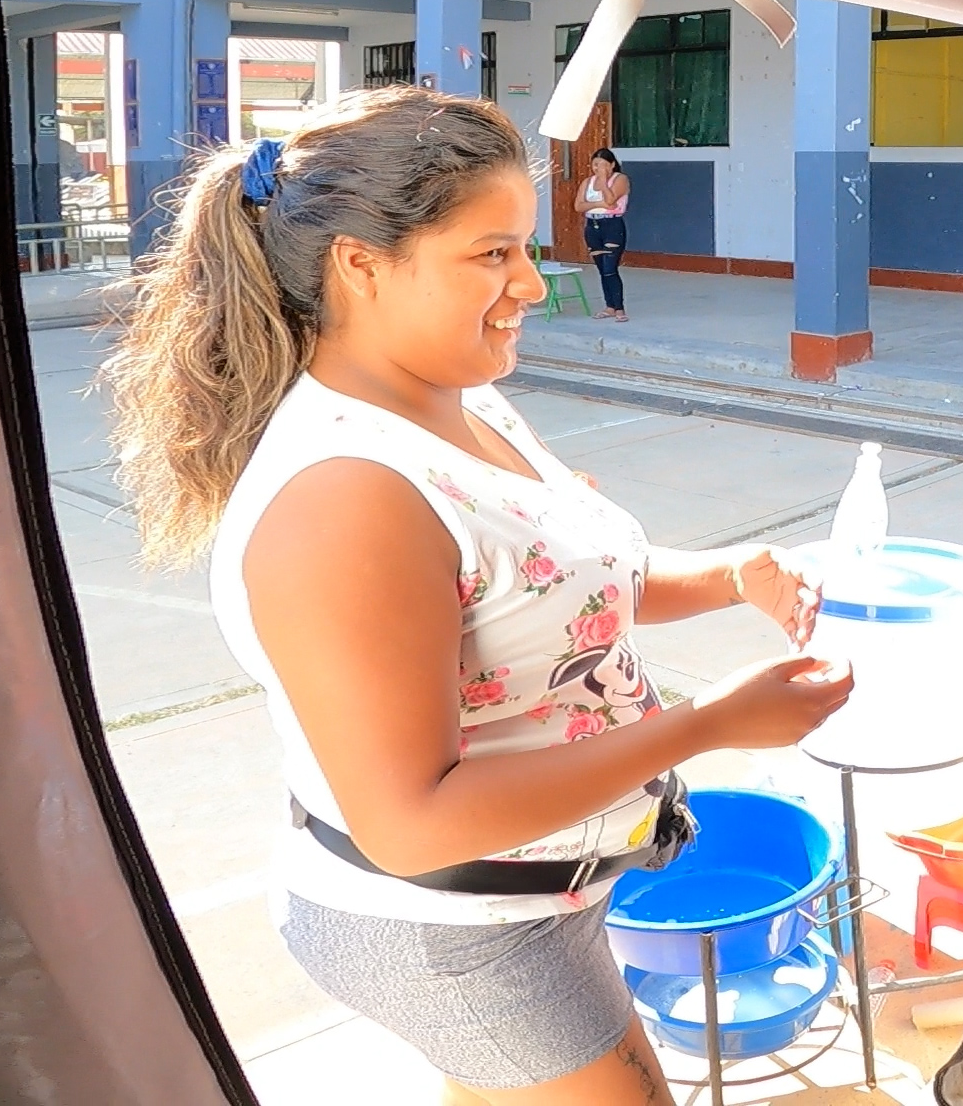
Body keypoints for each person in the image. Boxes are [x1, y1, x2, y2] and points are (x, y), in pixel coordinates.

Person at [100, 90, 854, 1106]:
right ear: (360, 264)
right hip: (459, 926)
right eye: (491, 253)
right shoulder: (348, 498)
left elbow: (565, 588)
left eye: (526, 249)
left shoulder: (457, 397)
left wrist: (732, 576)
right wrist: (711, 724)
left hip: (534, 889)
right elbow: (411, 820)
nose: (533, 287)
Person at [577, 147, 631, 321]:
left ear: (612, 165)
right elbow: (579, 206)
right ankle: (609, 306)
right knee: (601, 269)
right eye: (595, 164)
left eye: (602, 164)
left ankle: (619, 308)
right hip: (593, 225)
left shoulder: (620, 179)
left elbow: (611, 201)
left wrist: (603, 182)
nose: (597, 168)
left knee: (610, 268)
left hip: (612, 225)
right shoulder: (587, 182)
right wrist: (598, 203)